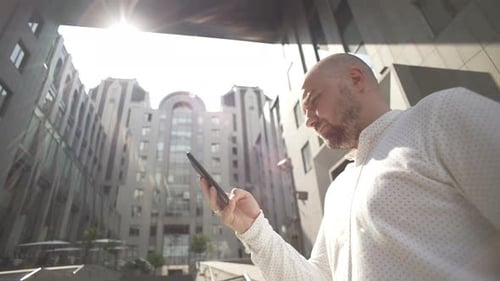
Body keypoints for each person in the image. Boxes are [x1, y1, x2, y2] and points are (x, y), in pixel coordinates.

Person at [199, 53, 500, 280]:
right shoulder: (338, 189)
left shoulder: (439, 116)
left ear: (356, 80)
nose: (309, 120)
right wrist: (253, 229)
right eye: (304, 113)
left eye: (314, 101)